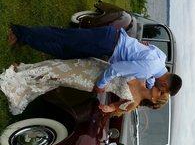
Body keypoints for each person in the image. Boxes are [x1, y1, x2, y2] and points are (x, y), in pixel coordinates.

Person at [8, 24, 182, 96]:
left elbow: (148, 55)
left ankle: (26, 39)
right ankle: (18, 31)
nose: (161, 91)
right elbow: (117, 69)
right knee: (63, 37)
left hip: (109, 41)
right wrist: (101, 84)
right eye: (163, 91)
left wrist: (151, 86)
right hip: (106, 43)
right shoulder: (149, 69)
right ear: (165, 85)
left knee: (63, 52)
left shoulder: (161, 59)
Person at [0, 57, 169, 116]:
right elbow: (132, 61)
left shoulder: (133, 103)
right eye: (162, 89)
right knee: (60, 65)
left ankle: (19, 82)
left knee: (57, 76)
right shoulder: (145, 78)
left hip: (91, 82)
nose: (160, 88)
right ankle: (23, 70)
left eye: (160, 92)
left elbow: (113, 107)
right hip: (99, 67)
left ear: (154, 100)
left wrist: (108, 108)